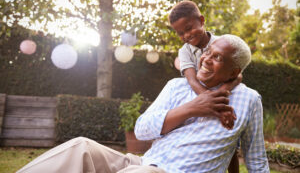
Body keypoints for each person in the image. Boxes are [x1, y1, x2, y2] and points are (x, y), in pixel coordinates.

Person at [17, 35, 269, 173]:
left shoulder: (249, 100)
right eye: (208, 52)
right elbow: (141, 130)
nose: (206, 59)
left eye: (217, 57)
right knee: (80, 148)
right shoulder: (177, 86)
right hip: (144, 162)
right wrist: (193, 108)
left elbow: (256, 161)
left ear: (234, 70)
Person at [169, 0, 240, 171]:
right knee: (204, 138)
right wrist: (209, 100)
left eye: (189, 28)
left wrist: (220, 97)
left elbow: (238, 76)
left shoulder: (222, 43)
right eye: (180, 33)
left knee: (228, 142)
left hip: (224, 97)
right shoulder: (184, 51)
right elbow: (192, 80)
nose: (186, 35)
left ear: (201, 21)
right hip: (199, 97)